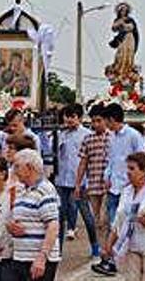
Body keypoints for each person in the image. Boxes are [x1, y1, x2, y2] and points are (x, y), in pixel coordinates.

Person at [101, 152, 145, 281]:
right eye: (128, 168)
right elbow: (118, 222)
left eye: (132, 168)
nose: (128, 172)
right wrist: (108, 246)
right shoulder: (126, 191)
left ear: (144, 170)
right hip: (130, 245)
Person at [92, 104, 145, 276]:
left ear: (112, 120)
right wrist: (107, 176)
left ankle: (116, 260)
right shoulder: (111, 137)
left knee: (122, 225)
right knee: (111, 225)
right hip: (114, 187)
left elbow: (144, 158)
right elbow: (111, 160)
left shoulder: (133, 136)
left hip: (128, 188)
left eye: (105, 120)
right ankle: (111, 259)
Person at [5, 149, 61, 281]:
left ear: (29, 168)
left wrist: (42, 257)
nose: (14, 170)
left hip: (35, 259)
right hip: (21, 257)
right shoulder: (21, 189)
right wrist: (10, 226)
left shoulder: (45, 190)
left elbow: (53, 225)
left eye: (17, 166)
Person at [55, 104, 98, 252]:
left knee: (86, 215)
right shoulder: (61, 134)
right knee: (59, 216)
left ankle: (95, 245)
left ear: (79, 118)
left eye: (72, 116)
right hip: (61, 180)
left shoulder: (87, 134)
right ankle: (58, 248)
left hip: (80, 181)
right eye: (67, 116)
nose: (69, 120)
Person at [75, 105, 110, 260]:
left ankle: (109, 249)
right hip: (93, 185)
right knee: (97, 220)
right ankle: (101, 250)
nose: (96, 124)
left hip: (109, 186)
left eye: (99, 121)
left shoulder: (112, 137)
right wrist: (78, 184)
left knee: (106, 219)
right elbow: (83, 163)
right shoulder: (88, 139)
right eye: (93, 121)